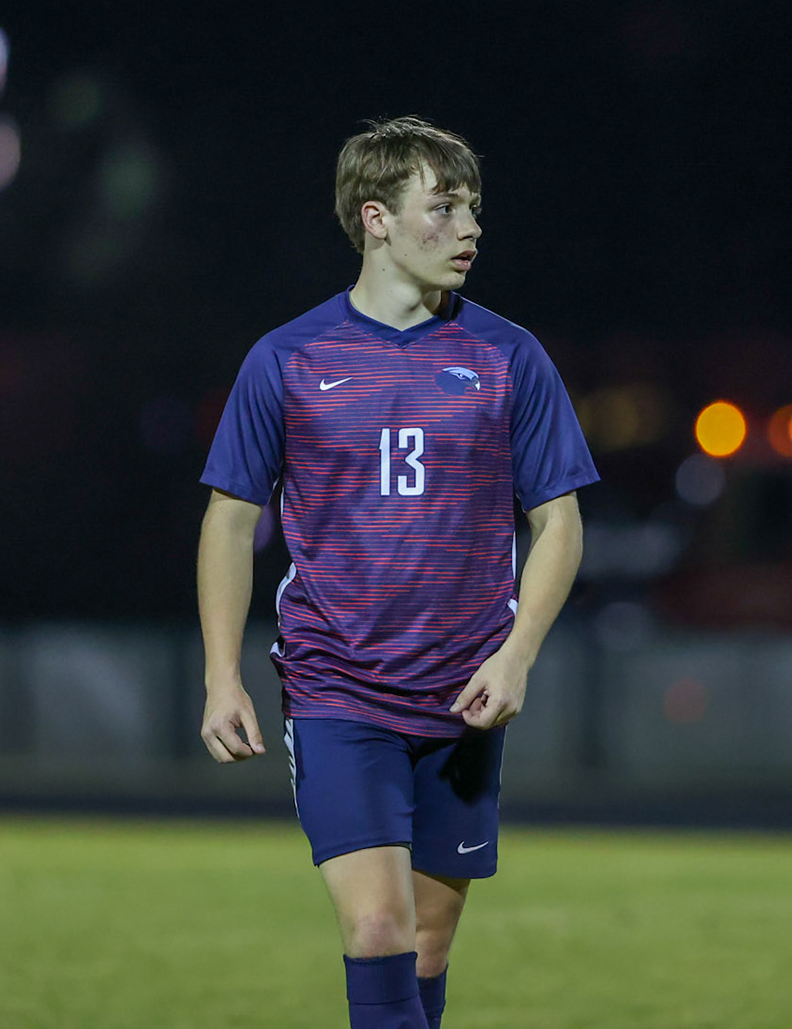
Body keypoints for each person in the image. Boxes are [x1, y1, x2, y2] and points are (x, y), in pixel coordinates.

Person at [196, 117, 597, 1029]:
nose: (470, 230)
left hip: (465, 694)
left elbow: (560, 522)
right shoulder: (289, 359)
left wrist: (518, 654)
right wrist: (223, 675)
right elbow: (230, 518)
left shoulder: (508, 356)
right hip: (337, 686)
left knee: (427, 945)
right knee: (376, 926)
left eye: (474, 210)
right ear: (376, 218)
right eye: (444, 207)